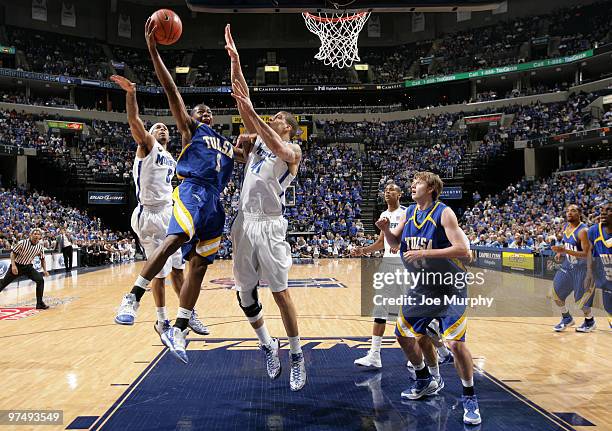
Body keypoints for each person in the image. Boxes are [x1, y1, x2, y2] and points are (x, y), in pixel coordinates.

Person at [114, 18, 234, 363]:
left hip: (214, 204)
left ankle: (180, 328)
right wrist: (152, 50)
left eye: (208, 110)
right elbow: (171, 90)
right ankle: (134, 296)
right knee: (174, 243)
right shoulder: (188, 130)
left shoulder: (224, 143)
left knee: (196, 266)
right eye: (199, 111)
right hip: (189, 194)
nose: (205, 111)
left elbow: (247, 151)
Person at [226, 24, 306, 391]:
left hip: (271, 224)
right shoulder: (258, 139)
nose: (271, 120)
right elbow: (242, 98)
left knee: (280, 292)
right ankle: (267, 345)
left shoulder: (292, 151)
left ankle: (296, 356)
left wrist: (254, 116)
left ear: (288, 126)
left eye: (277, 119)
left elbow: (264, 129)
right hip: (244, 221)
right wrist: (236, 60)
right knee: (244, 293)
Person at [376, 171, 481, 426]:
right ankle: (424, 378)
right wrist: (386, 230)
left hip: (449, 286)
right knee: (402, 334)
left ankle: (470, 397)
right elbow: (394, 243)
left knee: (456, 344)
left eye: (418, 182)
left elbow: (462, 249)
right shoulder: (410, 212)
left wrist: (426, 251)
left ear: (432, 187)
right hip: (422, 287)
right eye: (411, 183)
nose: (412, 185)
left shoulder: (444, 212)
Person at [111, 74, 208, 336]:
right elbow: (134, 121)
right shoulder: (148, 147)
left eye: (165, 128)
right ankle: (160, 317)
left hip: (168, 212)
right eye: (157, 128)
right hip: (148, 214)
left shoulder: (173, 160)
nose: (163, 129)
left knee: (177, 269)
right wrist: (131, 94)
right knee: (159, 272)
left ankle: (186, 315)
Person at [551, 204, 594, 332]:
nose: (569, 213)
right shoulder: (566, 227)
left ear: (579, 213)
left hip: (582, 269)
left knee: (580, 301)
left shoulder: (583, 231)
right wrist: (560, 252)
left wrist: (565, 251)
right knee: (556, 293)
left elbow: (587, 254)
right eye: (568, 211)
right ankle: (567, 318)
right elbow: (567, 244)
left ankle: (590, 321)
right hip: (567, 266)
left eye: (573, 211)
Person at [0, 228, 49, 309]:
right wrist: (13, 265)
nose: (36, 235)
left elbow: (42, 259)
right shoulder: (22, 243)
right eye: (34, 233)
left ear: (40, 236)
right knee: (3, 284)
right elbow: (13, 253)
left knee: (40, 280)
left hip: (28, 267)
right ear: (31, 235)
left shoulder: (40, 247)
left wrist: (45, 270)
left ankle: (39, 303)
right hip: (17, 265)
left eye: (38, 234)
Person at [585, 202, 611, 329]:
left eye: (608, 209)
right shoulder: (594, 231)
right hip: (607, 282)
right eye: (602, 209)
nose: (603, 212)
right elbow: (589, 251)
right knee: (608, 308)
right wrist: (589, 273)